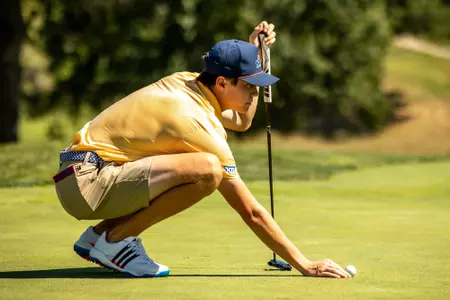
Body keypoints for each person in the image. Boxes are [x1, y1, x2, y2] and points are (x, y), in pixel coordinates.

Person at [53, 21, 351, 279]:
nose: (252, 94)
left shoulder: (188, 83)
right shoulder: (195, 122)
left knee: (193, 161)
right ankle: (117, 240)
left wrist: (254, 57)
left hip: (80, 175)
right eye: (248, 86)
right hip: (89, 183)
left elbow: (242, 121)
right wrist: (305, 264)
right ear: (222, 82)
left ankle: (98, 237)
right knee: (208, 170)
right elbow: (251, 211)